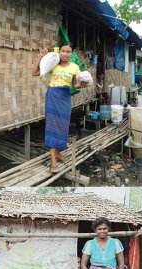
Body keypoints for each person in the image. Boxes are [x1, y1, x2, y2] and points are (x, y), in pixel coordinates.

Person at [33, 42, 89, 173]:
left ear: (71, 53)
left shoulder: (75, 67)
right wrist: (40, 57)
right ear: (59, 52)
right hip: (53, 96)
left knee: (62, 126)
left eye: (68, 52)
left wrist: (82, 85)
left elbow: (74, 85)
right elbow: (35, 73)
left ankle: (58, 153)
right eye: (63, 51)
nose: (65, 54)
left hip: (65, 97)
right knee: (52, 126)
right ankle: (53, 159)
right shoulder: (53, 64)